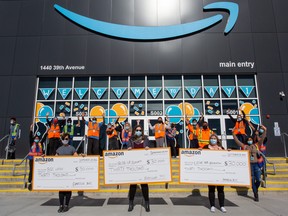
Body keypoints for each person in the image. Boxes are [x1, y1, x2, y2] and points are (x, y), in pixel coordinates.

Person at [233, 126, 267, 202]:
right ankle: (256, 194)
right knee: (252, 180)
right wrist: (233, 133)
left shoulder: (256, 145)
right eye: (248, 140)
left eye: (251, 140)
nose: (249, 141)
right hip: (249, 166)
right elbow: (237, 141)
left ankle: (256, 189)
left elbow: (263, 138)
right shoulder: (245, 146)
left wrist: (265, 131)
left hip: (256, 164)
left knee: (258, 179)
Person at [127, 125, 150, 212]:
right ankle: (131, 203)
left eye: (140, 130)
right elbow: (127, 149)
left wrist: (148, 148)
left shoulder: (146, 139)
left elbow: (149, 149)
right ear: (134, 131)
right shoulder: (131, 140)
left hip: (143, 165)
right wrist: (128, 149)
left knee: (144, 185)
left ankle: (147, 203)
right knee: (133, 185)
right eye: (137, 130)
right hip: (134, 166)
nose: (138, 131)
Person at [202, 134, 227, 213]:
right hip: (210, 172)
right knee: (211, 190)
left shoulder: (221, 148)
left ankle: (222, 206)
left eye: (214, 138)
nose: (213, 140)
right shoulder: (206, 147)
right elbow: (201, 156)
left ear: (217, 140)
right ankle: (212, 205)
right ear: (209, 139)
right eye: (212, 138)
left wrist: (228, 152)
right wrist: (199, 151)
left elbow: (226, 157)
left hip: (220, 172)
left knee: (221, 190)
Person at [55, 133, 78, 213]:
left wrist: (82, 156)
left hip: (69, 172)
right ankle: (61, 205)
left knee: (68, 190)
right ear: (62, 139)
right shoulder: (59, 149)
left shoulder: (72, 148)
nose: (65, 140)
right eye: (64, 138)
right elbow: (54, 159)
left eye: (67, 139)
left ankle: (67, 205)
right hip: (61, 173)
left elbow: (76, 157)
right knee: (61, 190)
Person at [27, 124, 43, 190]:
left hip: (38, 160)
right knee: (31, 170)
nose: (36, 139)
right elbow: (30, 137)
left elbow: (44, 138)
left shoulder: (40, 144)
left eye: (37, 138)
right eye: (35, 138)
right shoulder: (32, 143)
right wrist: (31, 130)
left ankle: (37, 182)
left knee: (37, 171)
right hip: (32, 159)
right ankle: (30, 181)